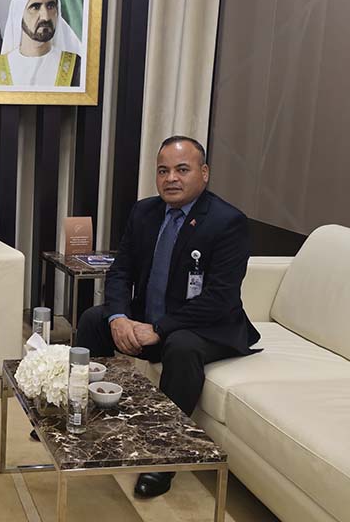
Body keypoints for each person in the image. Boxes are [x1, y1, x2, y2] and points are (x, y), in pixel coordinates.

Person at [74, 135, 260, 498]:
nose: (171, 178)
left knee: (182, 345)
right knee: (94, 319)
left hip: (208, 326)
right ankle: (80, 415)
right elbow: (121, 271)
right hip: (150, 317)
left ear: (204, 173)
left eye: (182, 169)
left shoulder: (228, 222)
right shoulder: (145, 212)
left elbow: (220, 299)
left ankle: (161, 457)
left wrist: (158, 329)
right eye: (163, 171)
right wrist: (118, 318)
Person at [0, 0, 81, 87]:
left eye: (50, 6)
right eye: (35, 7)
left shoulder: (76, 67)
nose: (45, 17)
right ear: (18, 15)